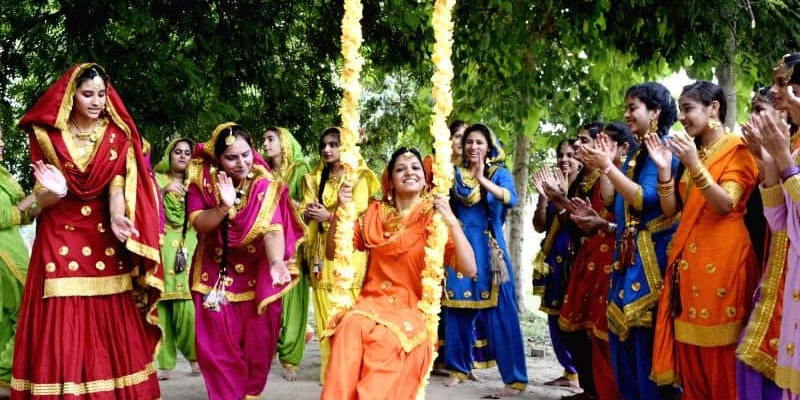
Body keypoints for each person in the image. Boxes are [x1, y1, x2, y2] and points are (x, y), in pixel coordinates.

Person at [10, 63, 163, 399]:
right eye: (88, 94)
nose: (96, 101)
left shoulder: (116, 135)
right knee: (62, 318)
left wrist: (118, 217)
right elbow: (41, 199)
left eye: (102, 94)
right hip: (58, 233)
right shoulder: (46, 135)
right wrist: (52, 192)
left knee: (108, 318)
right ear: (70, 96)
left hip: (102, 234)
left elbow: (116, 186)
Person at [321, 147, 477, 399]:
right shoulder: (374, 214)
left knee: (385, 340)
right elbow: (333, 252)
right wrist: (342, 208)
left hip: (409, 309)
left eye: (415, 167)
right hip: (369, 304)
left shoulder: (434, 220)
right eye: (401, 169)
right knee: (349, 327)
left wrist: (450, 219)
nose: (409, 172)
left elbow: (470, 268)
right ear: (390, 180)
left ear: (425, 179)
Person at [647, 81, 759, 399]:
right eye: (681, 109)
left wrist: (694, 164)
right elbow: (672, 212)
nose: (682, 117)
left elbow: (725, 204)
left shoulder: (737, 150)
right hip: (689, 265)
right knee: (691, 361)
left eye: (689, 109)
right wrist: (666, 171)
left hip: (725, 263)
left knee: (722, 360)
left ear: (714, 109)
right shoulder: (693, 153)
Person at [186, 122, 303, 400]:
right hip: (214, 278)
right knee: (218, 354)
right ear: (217, 158)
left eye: (246, 154)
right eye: (231, 157)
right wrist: (223, 207)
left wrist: (276, 262)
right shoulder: (201, 182)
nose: (241, 163)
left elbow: (273, 228)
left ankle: (249, 394)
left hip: (255, 276)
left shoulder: (264, 185)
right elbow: (201, 224)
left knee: (258, 350)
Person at [578, 82, 679, 400]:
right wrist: (606, 167)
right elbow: (611, 203)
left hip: (651, 264)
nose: (626, 114)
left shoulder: (662, 150)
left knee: (643, 351)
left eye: (633, 107)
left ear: (655, 112)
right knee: (623, 348)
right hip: (628, 261)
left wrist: (608, 166)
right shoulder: (636, 154)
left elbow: (644, 198)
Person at [443, 123, 528, 397]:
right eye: (469, 142)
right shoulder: (453, 174)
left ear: (489, 147)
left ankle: (514, 379)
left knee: (502, 315)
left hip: (491, 253)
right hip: (460, 248)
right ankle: (458, 369)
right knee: (457, 310)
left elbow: (511, 200)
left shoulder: (499, 173)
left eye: (479, 142)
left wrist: (482, 179)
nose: (473, 147)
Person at [557, 122, 638, 400]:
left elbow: (615, 213)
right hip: (591, 253)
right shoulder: (589, 176)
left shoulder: (630, 173)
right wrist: (560, 199)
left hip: (616, 259)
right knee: (582, 330)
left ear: (623, 148)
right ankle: (592, 390)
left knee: (605, 333)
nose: (582, 147)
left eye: (589, 142)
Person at [300, 127, 379, 383]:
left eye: (334, 144)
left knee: (351, 317)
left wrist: (328, 214)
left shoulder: (360, 176)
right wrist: (313, 213)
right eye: (324, 145)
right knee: (325, 320)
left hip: (350, 256)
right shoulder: (313, 178)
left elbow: (360, 214)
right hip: (321, 256)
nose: (327, 150)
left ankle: (354, 372)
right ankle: (331, 377)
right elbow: (306, 210)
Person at [741, 52, 800, 400]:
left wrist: (780, 160)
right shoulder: (792, 143)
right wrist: (771, 157)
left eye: (784, 83)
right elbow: (778, 218)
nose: (776, 92)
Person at [531, 139, 582, 390]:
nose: (564, 159)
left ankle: (578, 372)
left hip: (575, 259)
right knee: (553, 315)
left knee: (571, 316)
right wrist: (544, 198)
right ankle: (568, 370)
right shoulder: (550, 187)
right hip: (553, 258)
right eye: (560, 154)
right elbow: (539, 225)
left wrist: (562, 197)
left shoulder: (583, 187)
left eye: (570, 155)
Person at [262, 126, 312, 381]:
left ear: (284, 142)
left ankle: (290, 358)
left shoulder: (300, 169)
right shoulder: (262, 172)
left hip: (294, 242)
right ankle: (267, 349)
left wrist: (288, 203)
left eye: (271, 139)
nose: (266, 144)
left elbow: (309, 203)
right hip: (268, 244)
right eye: (264, 140)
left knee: (293, 303)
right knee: (269, 299)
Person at [153, 137, 200, 380]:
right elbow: (144, 206)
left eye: (187, 153)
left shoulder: (197, 184)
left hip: (188, 242)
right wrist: (163, 191)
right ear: (169, 155)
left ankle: (194, 356)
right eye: (177, 152)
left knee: (187, 305)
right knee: (162, 305)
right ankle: (165, 363)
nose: (182, 156)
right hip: (161, 242)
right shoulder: (155, 180)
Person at [0, 127, 40, 397]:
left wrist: (41, 196)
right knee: (29, 311)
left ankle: (6, 378)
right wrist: (28, 202)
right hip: (5, 255)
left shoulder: (4, 175)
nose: (1, 143)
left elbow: (23, 212)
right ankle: (5, 376)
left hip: (14, 249)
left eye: (1, 137)